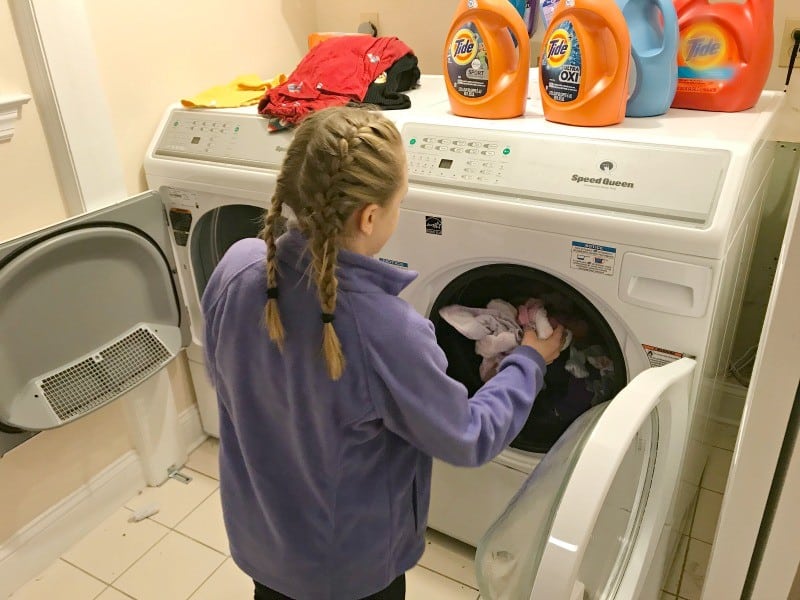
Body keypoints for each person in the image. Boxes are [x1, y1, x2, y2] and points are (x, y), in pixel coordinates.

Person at [201, 105, 565, 600]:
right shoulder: (388, 331)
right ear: (370, 217)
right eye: (400, 202)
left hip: (262, 541)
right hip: (350, 570)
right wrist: (529, 360)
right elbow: (468, 437)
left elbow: (223, 378)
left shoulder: (238, 267)